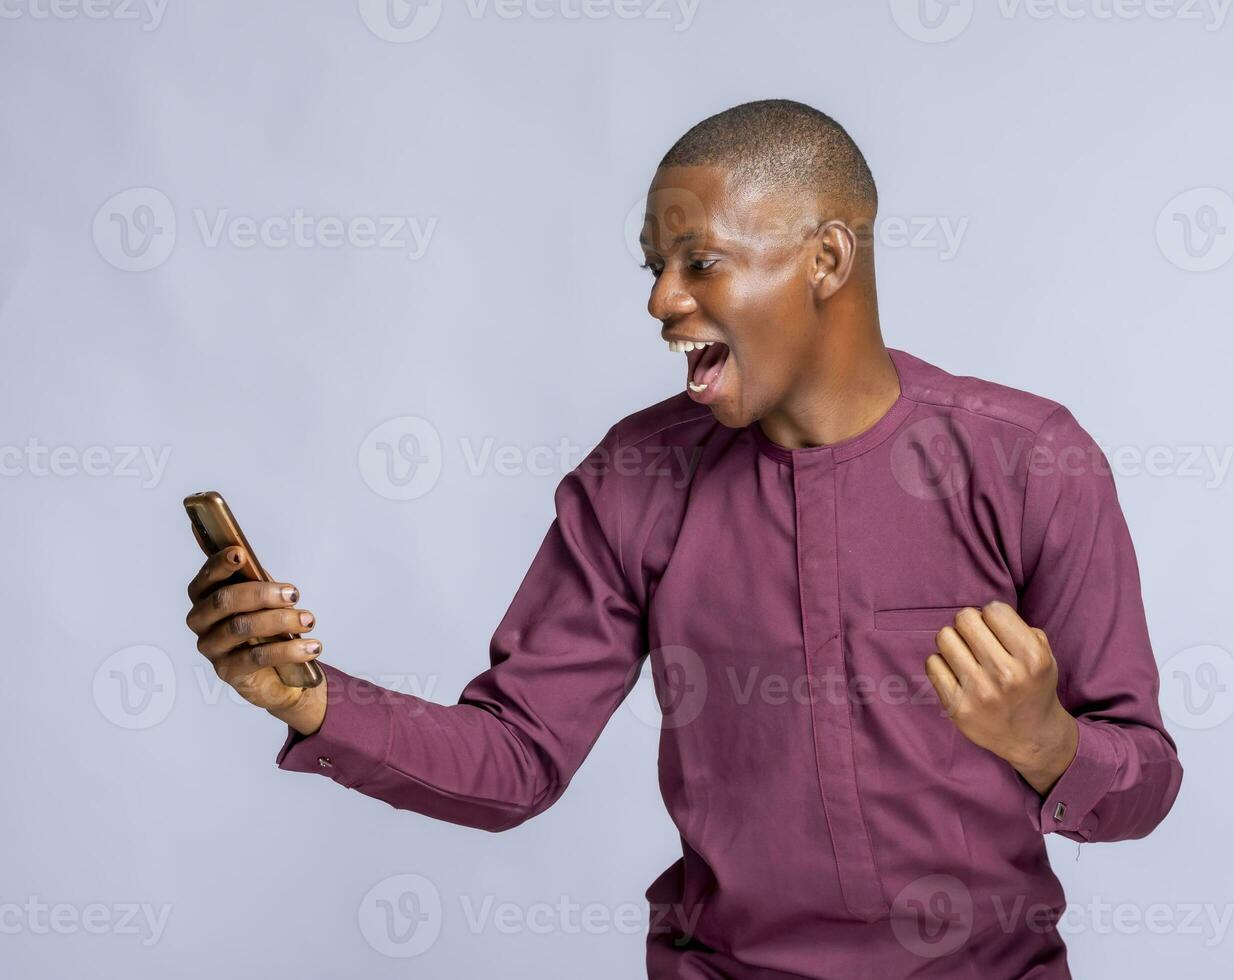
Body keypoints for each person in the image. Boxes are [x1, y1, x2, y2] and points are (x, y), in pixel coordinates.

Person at [184, 99, 1183, 978]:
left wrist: (1047, 742)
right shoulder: (634, 478)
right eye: (656, 266)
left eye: (699, 261)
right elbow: (516, 755)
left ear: (826, 259)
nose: (661, 300)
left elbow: (1144, 780)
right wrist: (309, 700)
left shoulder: (1030, 460)